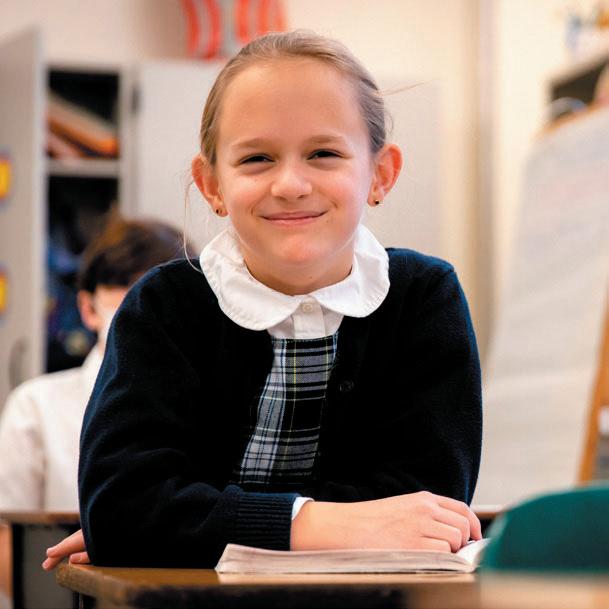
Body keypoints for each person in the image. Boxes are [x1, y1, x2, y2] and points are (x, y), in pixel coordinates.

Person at [44, 30, 482, 571]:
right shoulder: (162, 306)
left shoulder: (424, 298)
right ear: (212, 185)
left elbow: (428, 514)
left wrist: (192, 526)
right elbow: (121, 512)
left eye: (324, 153)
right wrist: (323, 525)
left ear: (380, 174)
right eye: (256, 158)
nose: (290, 184)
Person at [0, 216, 194, 512]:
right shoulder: (36, 407)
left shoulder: (215, 402)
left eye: (165, 296)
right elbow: (8, 530)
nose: (148, 310)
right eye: (129, 292)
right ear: (88, 308)